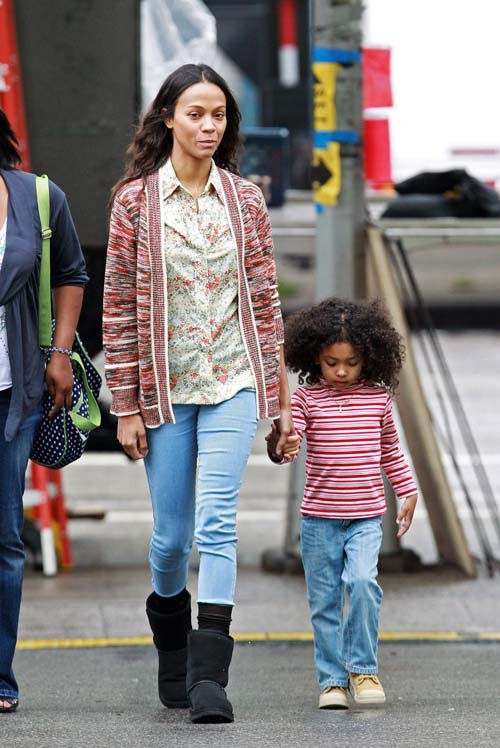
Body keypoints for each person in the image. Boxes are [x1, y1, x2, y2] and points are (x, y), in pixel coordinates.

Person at [103, 63, 293, 724]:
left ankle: (210, 676)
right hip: (164, 389)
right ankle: (173, 649)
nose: (209, 126)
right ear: (168, 118)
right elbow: (118, 307)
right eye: (196, 114)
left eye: (219, 115)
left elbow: (265, 305)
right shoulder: (134, 202)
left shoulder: (246, 200)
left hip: (231, 380)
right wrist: (125, 404)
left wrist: (280, 403)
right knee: (170, 540)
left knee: (217, 524)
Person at [267, 297, 418, 710]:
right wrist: (281, 443)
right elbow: (287, 442)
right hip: (319, 521)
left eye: (351, 363)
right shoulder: (305, 399)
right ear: (314, 357)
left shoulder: (378, 399)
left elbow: (391, 452)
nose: (341, 371)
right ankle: (332, 681)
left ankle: (363, 669)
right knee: (325, 603)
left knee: (363, 584)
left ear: (368, 358)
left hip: (366, 518)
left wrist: (408, 490)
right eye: (331, 362)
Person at [0, 110, 88, 713]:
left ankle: (0, 678)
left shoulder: (36, 196)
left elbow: (72, 274)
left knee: (4, 539)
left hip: (14, 393)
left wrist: (59, 352)